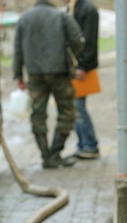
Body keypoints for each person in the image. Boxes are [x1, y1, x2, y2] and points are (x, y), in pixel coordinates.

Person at [13, 0, 84, 168]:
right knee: (67, 112)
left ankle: (45, 154)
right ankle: (55, 153)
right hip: (59, 71)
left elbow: (17, 50)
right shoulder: (61, 16)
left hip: (35, 74)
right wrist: (71, 58)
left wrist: (18, 75)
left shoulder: (24, 19)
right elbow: (78, 40)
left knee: (37, 114)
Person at [68, 0, 100, 159]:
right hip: (74, 67)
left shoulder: (88, 10)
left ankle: (90, 145)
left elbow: (89, 41)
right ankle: (83, 144)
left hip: (80, 68)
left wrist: (83, 66)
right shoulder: (72, 8)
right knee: (75, 107)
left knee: (77, 107)